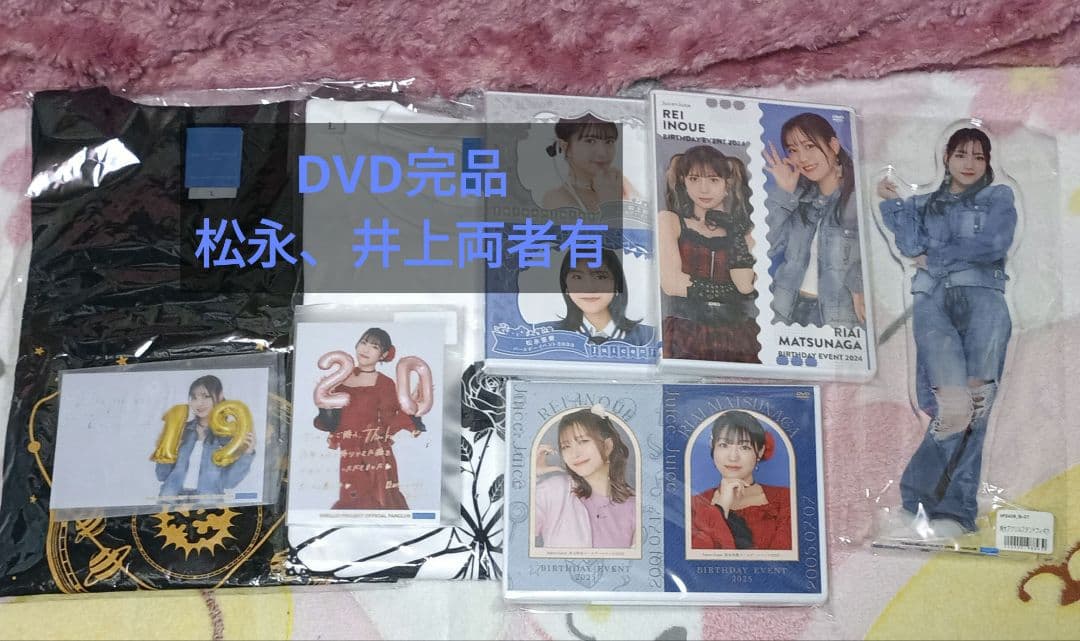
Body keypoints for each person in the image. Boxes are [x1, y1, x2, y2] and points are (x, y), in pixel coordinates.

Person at [878, 127, 1016, 536]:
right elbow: (909, 247)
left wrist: (934, 257)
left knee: (977, 408)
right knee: (954, 409)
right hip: (933, 304)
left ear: (988, 162)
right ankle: (916, 497)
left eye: (978, 156)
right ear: (946, 158)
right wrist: (894, 205)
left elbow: (993, 244)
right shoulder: (921, 204)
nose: (969, 164)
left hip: (984, 302)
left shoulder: (998, 197)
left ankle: (956, 511)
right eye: (961, 155)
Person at [658, 145, 760, 362]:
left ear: (727, 183)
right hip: (685, 331)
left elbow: (744, 286)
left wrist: (734, 231)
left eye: (713, 180)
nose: (703, 189)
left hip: (738, 335)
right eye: (694, 179)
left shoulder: (745, 231)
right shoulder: (669, 221)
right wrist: (730, 292)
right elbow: (671, 284)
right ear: (684, 181)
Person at [764, 112, 865, 327]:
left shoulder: (859, 199)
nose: (802, 158)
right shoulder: (797, 200)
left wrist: (860, 286)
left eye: (809, 146)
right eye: (793, 150)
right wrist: (784, 193)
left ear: (833, 145)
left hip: (836, 318)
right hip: (783, 311)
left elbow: (874, 255)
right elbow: (766, 248)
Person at [314, 328, 424, 510]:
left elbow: (390, 420)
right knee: (352, 499)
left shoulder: (385, 383)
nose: (365, 349)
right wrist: (324, 407)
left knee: (376, 501)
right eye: (363, 342)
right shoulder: (338, 380)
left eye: (374, 346)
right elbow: (330, 422)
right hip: (349, 452)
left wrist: (411, 410)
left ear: (384, 354)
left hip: (374, 454)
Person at [533, 406, 637, 549]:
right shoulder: (553, 491)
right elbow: (517, 531)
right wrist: (531, 476)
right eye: (566, 446)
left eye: (583, 441)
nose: (575, 454)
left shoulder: (635, 505)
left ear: (607, 446)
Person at [690, 411, 791, 550]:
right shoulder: (693, 505)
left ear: (760, 451)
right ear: (713, 447)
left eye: (744, 447)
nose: (733, 457)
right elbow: (699, 558)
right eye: (724, 445)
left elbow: (784, 559)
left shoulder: (786, 500)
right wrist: (721, 508)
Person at [156, 375, 256, 499]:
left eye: (206, 396)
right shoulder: (181, 430)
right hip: (170, 500)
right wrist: (164, 446)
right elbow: (161, 475)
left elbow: (229, 482)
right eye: (194, 397)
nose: (199, 403)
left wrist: (247, 454)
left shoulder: (229, 437)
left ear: (220, 396)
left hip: (208, 504)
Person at [537, 248, 655, 346]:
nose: (588, 288)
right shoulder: (543, 334)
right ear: (566, 287)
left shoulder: (649, 337)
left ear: (617, 285)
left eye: (600, 277)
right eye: (577, 277)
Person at [541, 114, 639, 212]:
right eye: (590, 141)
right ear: (565, 147)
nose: (602, 153)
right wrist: (609, 201)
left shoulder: (626, 187)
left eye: (609, 141)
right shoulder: (555, 198)